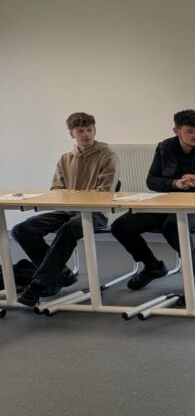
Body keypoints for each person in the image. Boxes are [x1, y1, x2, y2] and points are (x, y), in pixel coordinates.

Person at [111, 109, 195, 290]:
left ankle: (193, 266)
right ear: (176, 131)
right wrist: (175, 183)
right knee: (121, 225)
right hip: (169, 205)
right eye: (190, 131)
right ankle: (153, 266)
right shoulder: (164, 148)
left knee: (173, 225)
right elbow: (152, 181)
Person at [13, 112, 118, 307]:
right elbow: (56, 190)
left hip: (96, 213)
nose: (86, 134)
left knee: (69, 228)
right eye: (81, 131)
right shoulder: (65, 158)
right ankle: (59, 274)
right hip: (67, 210)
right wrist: (70, 197)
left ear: (95, 130)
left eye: (90, 130)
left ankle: (39, 283)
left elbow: (104, 192)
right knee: (22, 229)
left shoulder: (107, 155)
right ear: (72, 134)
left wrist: (71, 195)